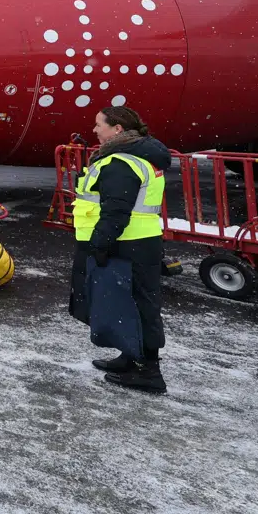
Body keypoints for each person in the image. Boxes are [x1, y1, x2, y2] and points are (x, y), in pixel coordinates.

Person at [69, 105, 170, 395]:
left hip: (128, 244)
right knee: (128, 304)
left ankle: (149, 372)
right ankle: (131, 356)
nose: (94, 130)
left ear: (117, 130)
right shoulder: (136, 156)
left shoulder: (122, 162)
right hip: (136, 242)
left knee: (138, 306)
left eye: (99, 124)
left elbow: (115, 211)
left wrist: (101, 244)